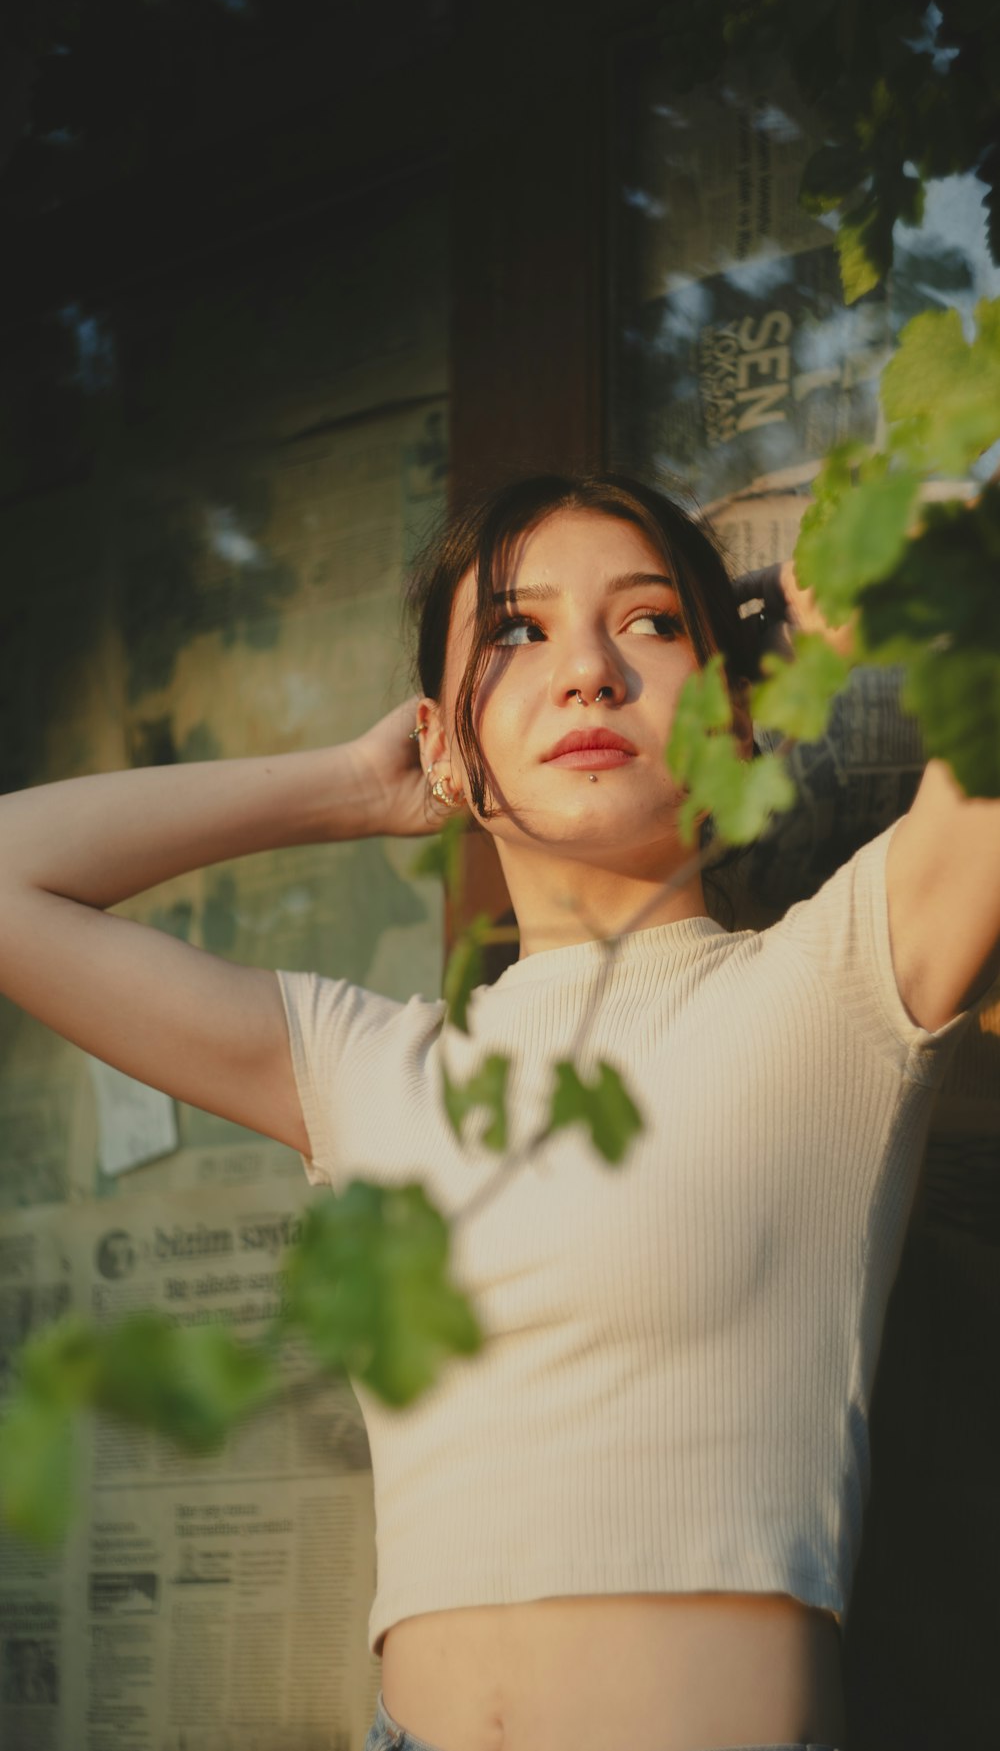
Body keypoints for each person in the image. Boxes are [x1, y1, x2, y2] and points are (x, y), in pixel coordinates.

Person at [0, 472, 997, 1751]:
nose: (585, 671)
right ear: (445, 740)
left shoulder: (840, 981)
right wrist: (356, 787)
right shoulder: (368, 1065)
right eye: (515, 634)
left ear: (743, 718)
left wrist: (921, 598)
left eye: (649, 623)